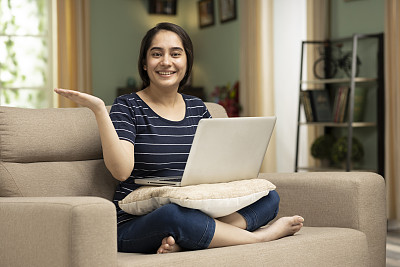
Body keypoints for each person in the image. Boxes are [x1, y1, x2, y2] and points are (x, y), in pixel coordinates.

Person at [54, 22, 304, 254]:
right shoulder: (127, 106)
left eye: (175, 54)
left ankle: (199, 235)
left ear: (186, 62)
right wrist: (99, 109)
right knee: (174, 215)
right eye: (156, 54)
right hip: (137, 222)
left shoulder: (198, 108)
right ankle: (259, 238)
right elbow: (121, 172)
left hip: (197, 208)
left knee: (268, 197)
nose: (166, 62)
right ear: (144, 63)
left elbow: (217, 171)